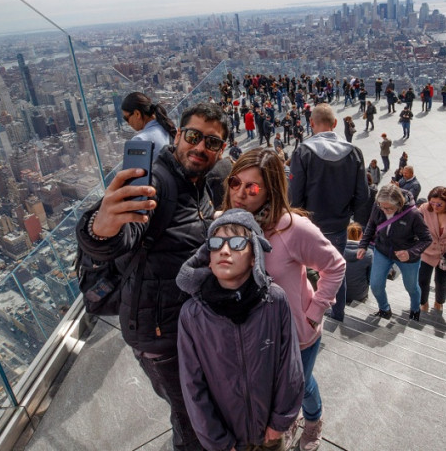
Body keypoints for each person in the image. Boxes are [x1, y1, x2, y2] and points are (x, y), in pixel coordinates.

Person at [76, 103, 228, 451]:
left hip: (186, 325)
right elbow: (122, 233)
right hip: (161, 337)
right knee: (191, 417)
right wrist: (100, 228)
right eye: (193, 136)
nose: (201, 147)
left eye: (212, 142)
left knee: (194, 407)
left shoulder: (197, 183)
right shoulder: (157, 182)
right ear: (177, 136)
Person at [222, 148, 346, 451]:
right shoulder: (227, 224)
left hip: (295, 335)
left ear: (271, 190)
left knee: (299, 387)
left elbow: (335, 265)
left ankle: (312, 420)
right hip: (251, 335)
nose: (239, 193)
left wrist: (314, 312)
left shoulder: (293, 228)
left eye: (251, 187)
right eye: (234, 182)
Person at [176, 209, 304, 451]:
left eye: (236, 243)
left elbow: (291, 367)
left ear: (255, 256)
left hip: (270, 433)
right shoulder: (192, 315)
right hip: (228, 441)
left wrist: (279, 422)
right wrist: (219, 442)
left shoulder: (275, 301)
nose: (225, 250)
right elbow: (192, 387)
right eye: (216, 243)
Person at [289, 103, 369, 322]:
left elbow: (294, 196)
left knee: (304, 270)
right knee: (335, 269)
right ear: (335, 124)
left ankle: (307, 312)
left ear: (311, 123)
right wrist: (346, 212)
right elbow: (363, 195)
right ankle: (338, 314)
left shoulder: (303, 151)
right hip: (338, 226)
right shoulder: (354, 152)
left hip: (309, 226)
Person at [357, 184, 432, 321]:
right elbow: (372, 224)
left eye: (389, 208)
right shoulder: (378, 205)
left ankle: (415, 310)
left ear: (399, 203)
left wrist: (410, 253)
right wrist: (363, 245)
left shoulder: (414, 215)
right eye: (382, 207)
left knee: (411, 287)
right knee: (375, 284)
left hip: (407, 257)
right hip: (382, 250)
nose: (385, 211)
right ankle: (384, 309)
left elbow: (427, 239)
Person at [344, 222, 373, 303]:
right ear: (361, 235)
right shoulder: (368, 253)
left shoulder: (337, 249)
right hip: (358, 295)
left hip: (338, 292)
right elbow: (371, 278)